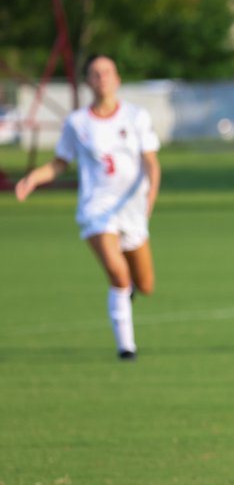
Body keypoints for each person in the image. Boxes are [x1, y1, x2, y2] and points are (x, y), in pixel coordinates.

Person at [14, 54, 162, 361]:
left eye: (108, 72)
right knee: (117, 274)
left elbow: (151, 163)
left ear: (117, 79)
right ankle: (126, 348)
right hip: (97, 209)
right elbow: (60, 163)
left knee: (145, 285)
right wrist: (33, 179)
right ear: (87, 81)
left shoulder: (136, 117)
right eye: (95, 73)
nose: (102, 78)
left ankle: (130, 292)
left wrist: (148, 200)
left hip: (132, 210)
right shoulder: (78, 122)